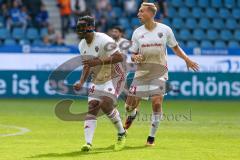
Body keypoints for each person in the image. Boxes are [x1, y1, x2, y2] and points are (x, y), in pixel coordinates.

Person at [124, 2, 199, 146]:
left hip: (159, 72)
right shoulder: (137, 32)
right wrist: (135, 57)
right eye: (138, 11)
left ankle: (151, 138)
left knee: (157, 103)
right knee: (129, 107)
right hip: (142, 73)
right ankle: (132, 114)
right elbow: (133, 53)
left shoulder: (165, 30)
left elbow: (175, 48)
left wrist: (187, 59)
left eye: (141, 11)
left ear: (151, 14)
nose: (138, 14)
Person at [73, 16, 127, 151]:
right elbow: (87, 65)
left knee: (105, 104)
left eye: (82, 26)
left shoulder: (104, 39)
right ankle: (88, 143)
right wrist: (81, 82)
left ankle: (121, 133)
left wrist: (98, 61)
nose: (79, 29)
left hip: (114, 76)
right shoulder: (82, 45)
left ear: (90, 27)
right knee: (92, 107)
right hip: (97, 78)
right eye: (78, 26)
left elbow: (120, 57)